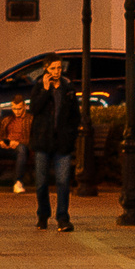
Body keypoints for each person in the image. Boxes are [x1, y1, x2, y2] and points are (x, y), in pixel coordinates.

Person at [27, 59, 78, 229]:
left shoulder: (67, 87)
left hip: (62, 141)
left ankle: (62, 217)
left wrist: (71, 134)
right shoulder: (40, 86)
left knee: (63, 181)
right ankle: (43, 215)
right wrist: (46, 90)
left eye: (59, 68)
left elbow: (74, 113)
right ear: (46, 69)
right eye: (53, 68)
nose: (57, 71)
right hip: (43, 141)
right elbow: (34, 109)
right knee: (41, 182)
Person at [0, 94, 34, 190]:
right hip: (6, 147)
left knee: (21, 149)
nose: (17, 112)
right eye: (14, 109)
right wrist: (0, 142)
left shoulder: (30, 120)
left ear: (24, 107)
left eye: (19, 109)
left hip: (20, 147)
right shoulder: (7, 120)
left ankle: (18, 182)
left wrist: (18, 142)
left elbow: (32, 139)